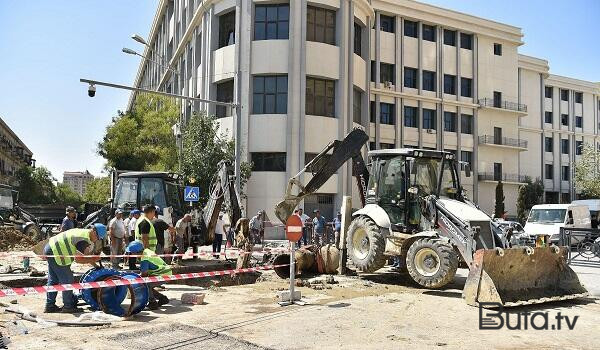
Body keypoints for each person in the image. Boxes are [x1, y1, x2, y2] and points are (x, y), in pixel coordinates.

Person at [44, 223, 106, 313]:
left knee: (53, 280)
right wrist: (94, 259)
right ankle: (68, 306)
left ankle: (50, 306)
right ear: (93, 231)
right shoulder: (83, 240)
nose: (97, 240)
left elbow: (85, 256)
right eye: (98, 237)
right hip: (57, 252)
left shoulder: (83, 233)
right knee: (68, 280)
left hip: (50, 248)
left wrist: (95, 265)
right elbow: (79, 259)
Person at [125, 241, 171, 310]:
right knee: (148, 285)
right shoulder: (147, 251)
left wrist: (134, 278)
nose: (131, 253)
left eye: (131, 252)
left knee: (145, 284)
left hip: (163, 274)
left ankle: (152, 303)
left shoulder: (144, 258)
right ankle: (162, 298)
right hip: (165, 272)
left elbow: (144, 274)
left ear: (135, 252)